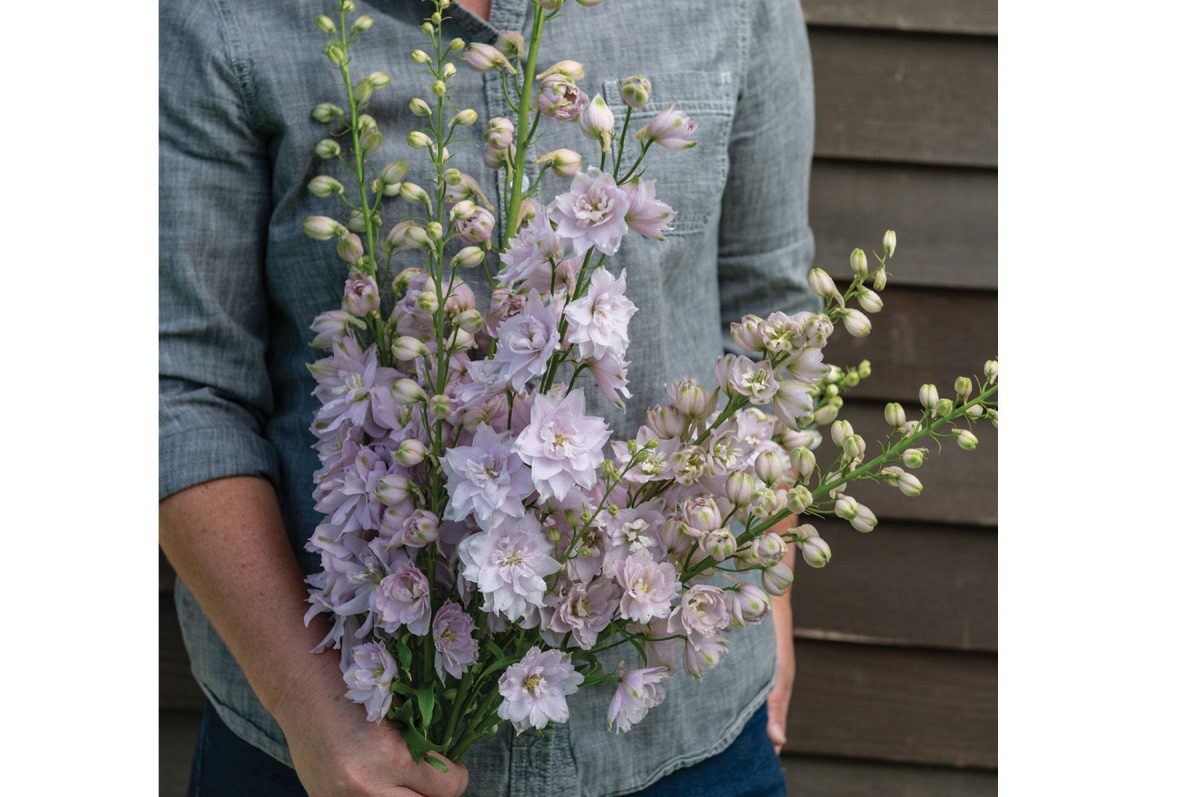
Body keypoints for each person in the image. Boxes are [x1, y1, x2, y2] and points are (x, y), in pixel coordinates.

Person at [159, 0, 816, 794]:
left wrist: (764, 563)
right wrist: (316, 709)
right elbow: (179, 383)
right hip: (329, 746)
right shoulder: (226, 19)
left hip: (682, 737)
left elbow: (771, 310)